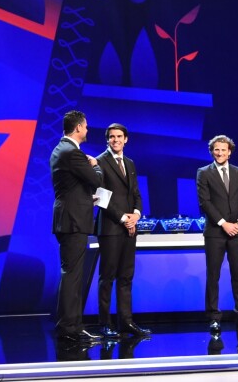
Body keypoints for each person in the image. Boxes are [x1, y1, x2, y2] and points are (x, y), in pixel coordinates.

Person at [196, 134, 238, 333]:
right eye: (216, 149)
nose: (219, 153)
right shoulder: (203, 173)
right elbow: (205, 202)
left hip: (237, 231)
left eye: (223, 149)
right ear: (211, 151)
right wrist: (224, 223)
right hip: (215, 232)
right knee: (213, 275)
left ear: (230, 152)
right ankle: (214, 317)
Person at [50, 110, 103, 343]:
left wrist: (86, 198)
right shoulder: (72, 152)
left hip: (69, 217)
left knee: (71, 274)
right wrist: (96, 164)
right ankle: (70, 328)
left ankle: (72, 325)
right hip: (73, 221)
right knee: (72, 275)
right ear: (79, 127)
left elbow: (72, 187)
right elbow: (97, 180)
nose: (88, 130)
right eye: (86, 126)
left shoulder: (62, 150)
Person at [95, 123, 150, 338]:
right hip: (110, 227)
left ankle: (126, 322)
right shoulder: (100, 162)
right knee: (107, 276)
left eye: (119, 136)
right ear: (107, 140)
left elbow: (136, 193)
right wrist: (123, 217)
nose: (116, 140)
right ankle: (104, 324)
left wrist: (136, 214)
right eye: (111, 137)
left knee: (126, 276)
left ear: (126, 139)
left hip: (129, 227)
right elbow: (100, 196)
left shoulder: (130, 163)